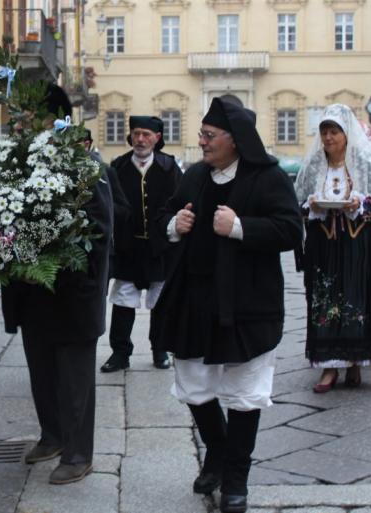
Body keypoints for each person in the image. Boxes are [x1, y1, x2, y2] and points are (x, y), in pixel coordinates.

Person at [152, 98, 302, 513]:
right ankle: (217, 451)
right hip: (194, 298)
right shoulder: (197, 174)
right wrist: (173, 225)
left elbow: (290, 229)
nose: (201, 142)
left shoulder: (268, 177)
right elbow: (167, 212)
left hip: (247, 302)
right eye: (201, 134)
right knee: (195, 386)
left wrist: (240, 228)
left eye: (209, 136)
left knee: (244, 390)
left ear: (235, 140)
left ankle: (236, 478)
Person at [1, 84, 113, 485]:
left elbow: (99, 234)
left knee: (74, 379)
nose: (21, 127)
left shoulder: (86, 165)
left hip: (72, 293)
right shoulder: (22, 163)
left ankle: (79, 453)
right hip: (34, 292)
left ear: (53, 121)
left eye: (29, 119)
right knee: (41, 371)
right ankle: (52, 436)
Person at [294, 103, 371, 393]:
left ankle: (355, 361)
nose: (328, 138)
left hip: (357, 244)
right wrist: (312, 205)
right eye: (324, 132)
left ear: (346, 134)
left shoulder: (365, 163)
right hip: (324, 247)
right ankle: (328, 367)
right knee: (324, 303)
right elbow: (299, 202)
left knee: (355, 302)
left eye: (334, 132)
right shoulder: (314, 165)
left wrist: (360, 203)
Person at [100, 116, 182, 373]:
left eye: (146, 134)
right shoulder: (119, 166)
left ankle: (160, 349)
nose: (140, 139)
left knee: (160, 301)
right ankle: (120, 352)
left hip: (161, 247)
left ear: (157, 138)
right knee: (124, 301)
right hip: (129, 247)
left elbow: (179, 203)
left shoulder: (170, 168)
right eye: (136, 134)